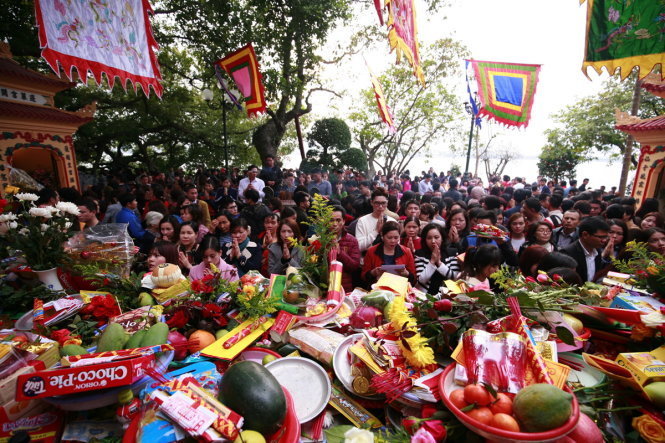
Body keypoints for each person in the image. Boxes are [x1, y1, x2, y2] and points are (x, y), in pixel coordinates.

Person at [362, 221, 416, 286]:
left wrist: (407, 274)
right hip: (378, 288)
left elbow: (414, 278)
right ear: (382, 236)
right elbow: (363, 276)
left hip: (399, 287)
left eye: (396, 238)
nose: (393, 241)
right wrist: (373, 273)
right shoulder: (371, 251)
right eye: (389, 238)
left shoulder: (407, 252)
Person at [560, 216, 610, 282]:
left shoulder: (597, 251)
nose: (604, 240)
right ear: (585, 235)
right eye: (601, 237)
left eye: (606, 237)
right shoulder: (567, 253)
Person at [415, 223, 460, 294]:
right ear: (425, 240)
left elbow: (455, 277)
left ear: (442, 238)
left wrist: (439, 263)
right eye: (429, 238)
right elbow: (421, 280)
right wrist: (432, 261)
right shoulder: (419, 254)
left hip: (447, 294)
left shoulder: (452, 253)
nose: (433, 241)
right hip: (424, 295)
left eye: (436, 237)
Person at [330, 206, 361, 293]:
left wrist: (340, 253)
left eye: (338, 220)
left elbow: (354, 266)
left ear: (343, 221)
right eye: (331, 220)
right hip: (324, 286)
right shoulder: (320, 240)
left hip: (344, 288)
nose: (335, 224)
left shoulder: (352, 240)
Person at [356, 188, 397, 252]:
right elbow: (359, 246)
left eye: (383, 203)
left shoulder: (393, 221)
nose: (380, 206)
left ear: (387, 203)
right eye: (377, 203)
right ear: (371, 203)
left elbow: (397, 244)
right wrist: (376, 231)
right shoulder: (362, 221)